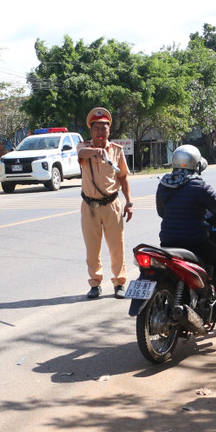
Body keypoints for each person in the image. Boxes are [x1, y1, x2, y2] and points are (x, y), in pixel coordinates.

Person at [156, 145, 216, 319]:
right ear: (196, 165)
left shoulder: (164, 183)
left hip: (167, 243)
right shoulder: (199, 186)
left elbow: (162, 212)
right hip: (194, 243)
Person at [78, 107, 133, 299]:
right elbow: (82, 153)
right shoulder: (83, 148)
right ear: (91, 131)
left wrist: (129, 202)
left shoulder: (116, 151)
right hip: (89, 206)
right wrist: (97, 152)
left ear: (109, 130)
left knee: (117, 247)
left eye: (104, 128)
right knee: (92, 249)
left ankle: (119, 282)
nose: (101, 132)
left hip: (112, 205)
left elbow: (123, 177)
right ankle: (95, 283)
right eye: (97, 128)